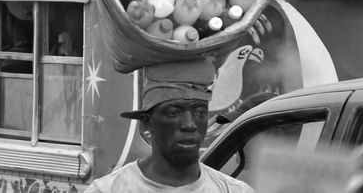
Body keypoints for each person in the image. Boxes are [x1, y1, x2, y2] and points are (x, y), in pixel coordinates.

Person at [84, 57, 254, 193]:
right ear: (147, 124)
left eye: (200, 112)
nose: (189, 125)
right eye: (174, 112)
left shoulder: (233, 190)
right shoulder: (109, 190)